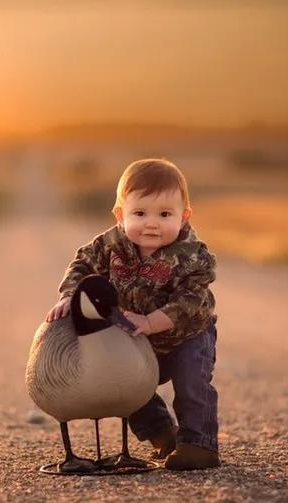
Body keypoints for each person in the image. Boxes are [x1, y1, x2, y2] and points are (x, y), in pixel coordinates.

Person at [46, 158, 220, 470]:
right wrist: (70, 295)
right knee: (129, 386)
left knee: (192, 384)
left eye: (165, 214)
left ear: (184, 217)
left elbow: (191, 300)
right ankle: (162, 435)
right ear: (120, 214)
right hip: (135, 334)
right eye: (139, 213)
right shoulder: (109, 244)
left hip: (187, 336)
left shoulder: (193, 254)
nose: (151, 223)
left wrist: (153, 322)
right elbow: (82, 266)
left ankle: (199, 443)